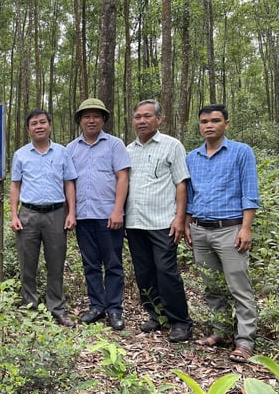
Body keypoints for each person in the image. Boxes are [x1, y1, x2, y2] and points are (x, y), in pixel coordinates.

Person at [184, 104, 260, 363]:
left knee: (238, 286)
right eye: (204, 121)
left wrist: (246, 228)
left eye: (215, 120)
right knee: (211, 286)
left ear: (226, 124)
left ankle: (245, 340)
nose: (209, 125)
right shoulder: (192, 157)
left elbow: (250, 193)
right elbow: (191, 197)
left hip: (230, 229)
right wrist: (187, 225)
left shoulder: (241, 152)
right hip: (201, 230)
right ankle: (220, 332)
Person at [125, 99, 193, 342]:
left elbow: (181, 183)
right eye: (137, 117)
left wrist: (179, 218)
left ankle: (180, 322)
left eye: (147, 116)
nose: (141, 121)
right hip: (134, 223)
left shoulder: (171, 146)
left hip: (163, 221)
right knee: (144, 273)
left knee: (167, 271)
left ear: (159, 119)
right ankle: (156, 315)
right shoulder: (128, 150)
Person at [67, 98, 130, 331]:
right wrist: (70, 213)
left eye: (96, 116)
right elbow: (69, 183)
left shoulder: (115, 145)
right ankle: (96, 306)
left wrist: (117, 210)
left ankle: (114, 309)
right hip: (83, 216)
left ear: (103, 119)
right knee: (90, 263)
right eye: (86, 116)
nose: (91, 120)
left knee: (113, 263)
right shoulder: (71, 149)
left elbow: (123, 177)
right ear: (80, 121)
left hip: (108, 215)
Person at [10, 109, 77, 327]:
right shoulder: (20, 154)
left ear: (49, 125)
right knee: (27, 264)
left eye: (42, 122)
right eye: (33, 124)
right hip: (28, 214)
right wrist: (14, 214)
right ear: (28, 129)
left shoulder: (62, 152)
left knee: (56, 263)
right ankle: (30, 307)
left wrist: (72, 213)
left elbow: (69, 183)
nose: (38, 126)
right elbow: (15, 185)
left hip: (56, 214)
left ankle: (55, 307)